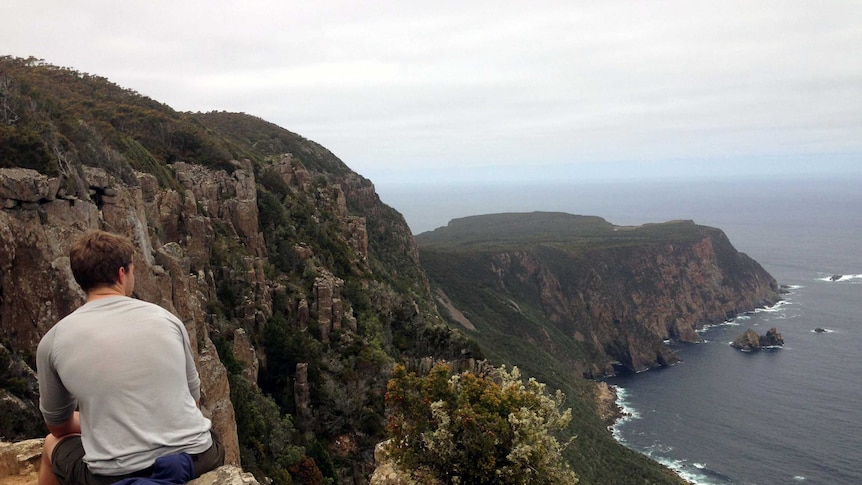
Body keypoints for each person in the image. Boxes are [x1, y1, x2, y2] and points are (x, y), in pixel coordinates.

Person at [37, 230, 224, 485]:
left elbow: (58, 428)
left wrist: (98, 419)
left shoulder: (53, 340)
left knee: (52, 444)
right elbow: (193, 402)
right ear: (121, 273)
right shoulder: (166, 319)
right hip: (198, 457)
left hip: (113, 474)